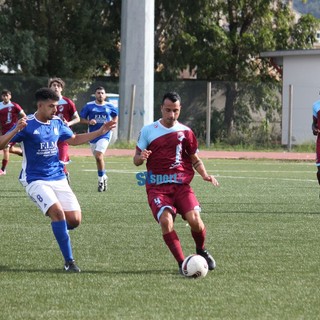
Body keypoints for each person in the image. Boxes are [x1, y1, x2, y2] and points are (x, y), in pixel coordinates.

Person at [0, 88, 116, 272]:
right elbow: (1, 144)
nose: (56, 110)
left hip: (58, 176)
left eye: (56, 106)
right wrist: (15, 129)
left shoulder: (57, 122)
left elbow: (75, 139)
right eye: (51, 106)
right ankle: (69, 262)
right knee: (58, 213)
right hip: (35, 179)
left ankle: (59, 228)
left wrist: (100, 131)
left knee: (75, 220)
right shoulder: (27, 124)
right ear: (40, 105)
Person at [133, 91, 219, 274]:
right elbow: (136, 160)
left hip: (181, 186)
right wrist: (141, 157)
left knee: (195, 221)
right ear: (161, 109)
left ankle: (201, 250)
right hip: (157, 187)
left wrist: (204, 174)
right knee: (166, 221)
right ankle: (182, 264)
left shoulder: (186, 132)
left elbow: (194, 159)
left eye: (176, 111)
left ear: (180, 110)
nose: (172, 115)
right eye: (168, 110)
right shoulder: (149, 130)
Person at [80, 86, 118, 192]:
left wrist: (112, 124)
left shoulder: (110, 106)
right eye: (98, 93)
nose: (100, 95)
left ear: (105, 95)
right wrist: (89, 122)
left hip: (105, 134)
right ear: (95, 95)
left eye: (102, 93)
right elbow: (80, 119)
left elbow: (115, 116)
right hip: (92, 135)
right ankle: (104, 176)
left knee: (99, 155)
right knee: (97, 158)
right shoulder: (89, 106)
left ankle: (100, 180)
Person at [48, 78, 80, 183]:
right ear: (50, 88)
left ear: (61, 88)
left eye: (58, 85)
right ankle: (64, 174)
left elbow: (77, 118)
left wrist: (68, 123)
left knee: (61, 159)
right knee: (52, 160)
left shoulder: (68, 102)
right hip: (50, 136)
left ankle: (62, 177)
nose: (56, 87)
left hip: (64, 136)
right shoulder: (46, 102)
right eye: (53, 85)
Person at [0, 89, 26, 175]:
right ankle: (24, 153)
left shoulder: (15, 105)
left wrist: (22, 125)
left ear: (10, 96)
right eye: (3, 95)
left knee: (6, 148)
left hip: (13, 131)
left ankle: (3, 170)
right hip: (4, 131)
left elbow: (24, 115)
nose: (5, 97)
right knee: (10, 149)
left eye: (7, 95)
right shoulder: (0, 105)